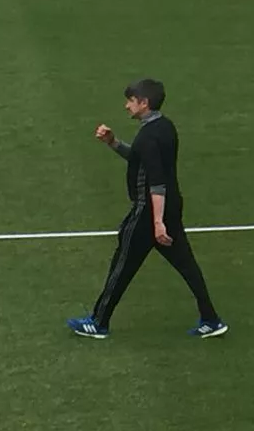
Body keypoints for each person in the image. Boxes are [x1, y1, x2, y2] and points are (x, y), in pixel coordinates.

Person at [66, 78, 227, 340]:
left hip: (148, 212)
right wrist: (113, 142)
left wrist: (157, 222)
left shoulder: (149, 136)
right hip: (171, 207)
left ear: (145, 103)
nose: (126, 105)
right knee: (186, 264)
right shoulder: (164, 127)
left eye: (131, 101)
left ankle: (98, 322)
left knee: (122, 262)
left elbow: (157, 182)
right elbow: (139, 158)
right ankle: (211, 319)